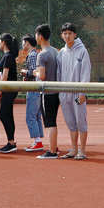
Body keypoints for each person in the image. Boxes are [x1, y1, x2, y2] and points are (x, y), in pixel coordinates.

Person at [57, 22, 91, 160]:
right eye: (65, 33)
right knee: (70, 122)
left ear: (75, 35)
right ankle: (74, 149)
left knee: (81, 122)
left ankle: (82, 151)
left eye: (70, 33)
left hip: (78, 93)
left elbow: (85, 72)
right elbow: (58, 73)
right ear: (61, 35)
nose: (67, 36)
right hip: (64, 93)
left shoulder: (82, 51)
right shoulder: (61, 53)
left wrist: (82, 92)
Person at [34, 24, 61, 159]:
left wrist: (35, 72)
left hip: (47, 92)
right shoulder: (55, 51)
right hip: (56, 91)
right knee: (52, 120)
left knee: (50, 122)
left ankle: (52, 151)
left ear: (40, 36)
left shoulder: (42, 54)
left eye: (36, 35)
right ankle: (53, 146)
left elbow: (42, 75)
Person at [0, 33, 20, 153]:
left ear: (3, 42)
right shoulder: (8, 56)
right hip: (9, 89)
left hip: (9, 89)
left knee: (3, 115)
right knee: (8, 114)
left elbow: (4, 76)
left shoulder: (8, 56)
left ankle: (11, 142)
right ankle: (11, 141)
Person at [20, 35, 44, 152]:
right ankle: (38, 140)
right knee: (36, 116)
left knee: (31, 116)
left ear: (27, 43)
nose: (22, 44)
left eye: (23, 42)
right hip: (36, 88)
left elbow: (35, 73)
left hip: (34, 89)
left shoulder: (33, 55)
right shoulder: (34, 54)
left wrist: (25, 72)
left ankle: (37, 141)